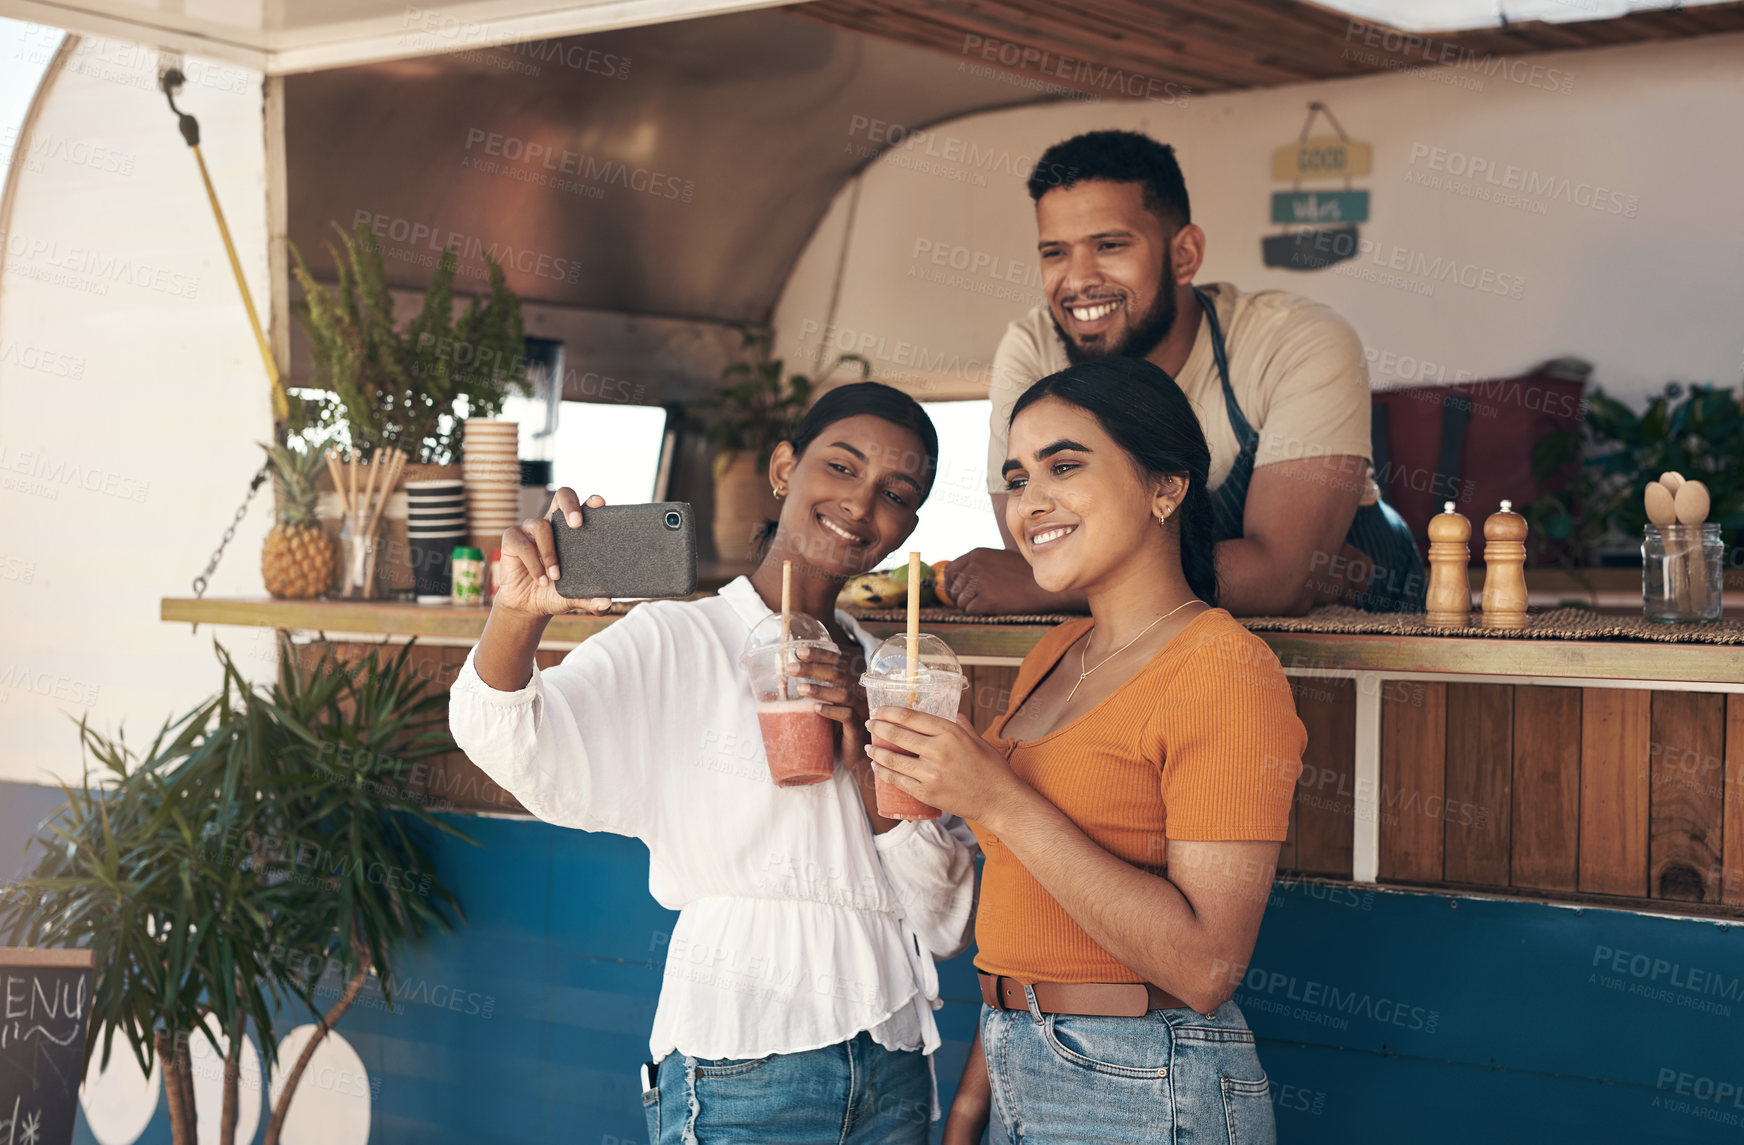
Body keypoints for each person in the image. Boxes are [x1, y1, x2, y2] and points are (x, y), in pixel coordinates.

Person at [448, 382, 978, 1145]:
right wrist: (517, 612)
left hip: (893, 1066)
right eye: (841, 466)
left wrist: (866, 737)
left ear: (909, 526)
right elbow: (504, 735)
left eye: (894, 492)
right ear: (783, 468)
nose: (862, 504)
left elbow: (944, 917)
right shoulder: (679, 639)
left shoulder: (897, 676)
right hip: (746, 1063)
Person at [867, 358, 1306, 1144]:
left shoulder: (1225, 667)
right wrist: (974, 1101)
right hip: (1015, 1058)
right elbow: (1026, 916)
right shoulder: (1053, 654)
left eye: (1063, 465)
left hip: (1143, 1080)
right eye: (1016, 476)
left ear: (1166, 487)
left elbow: (1207, 966)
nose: (1030, 500)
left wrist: (994, 795)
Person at [945, 129, 1424, 617]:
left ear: (1184, 255)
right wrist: (1249, 569)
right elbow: (1040, 545)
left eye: (1109, 245)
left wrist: (1044, 586)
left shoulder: (1298, 340)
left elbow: (1282, 579)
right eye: (1055, 252)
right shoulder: (1033, 348)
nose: (1079, 280)